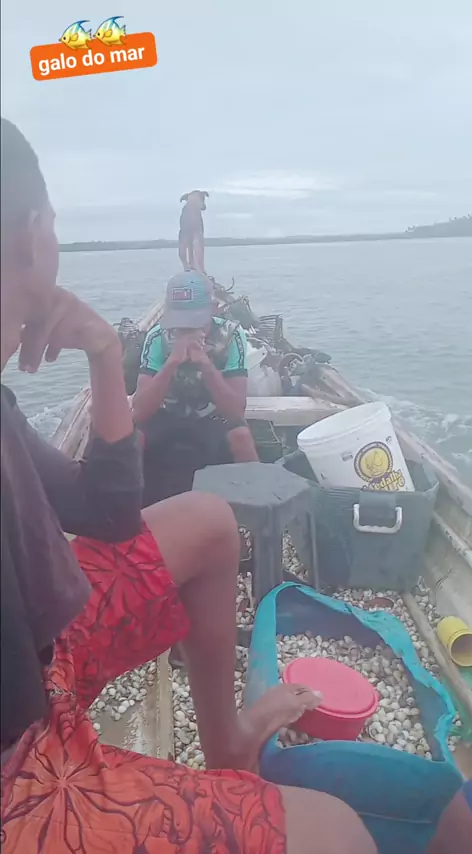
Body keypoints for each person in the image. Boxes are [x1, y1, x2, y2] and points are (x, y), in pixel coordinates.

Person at [0, 117, 378, 854]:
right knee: (340, 834)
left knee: (208, 519)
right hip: (19, 759)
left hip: (37, 664)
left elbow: (110, 510)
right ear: (35, 236)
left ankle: (227, 742)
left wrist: (104, 352)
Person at [133, 270, 259, 504]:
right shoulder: (157, 337)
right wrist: (172, 362)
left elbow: (235, 412)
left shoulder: (231, 337)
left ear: (213, 309)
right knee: (132, 439)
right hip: (167, 413)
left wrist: (205, 364)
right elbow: (140, 411)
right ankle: (130, 509)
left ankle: (256, 504)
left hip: (211, 415)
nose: (186, 327)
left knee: (241, 436)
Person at [178, 189, 208, 273]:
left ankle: (189, 266)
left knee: (186, 244)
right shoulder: (196, 201)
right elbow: (203, 207)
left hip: (187, 225)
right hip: (193, 225)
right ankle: (199, 268)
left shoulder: (188, 206)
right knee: (196, 244)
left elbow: (203, 207)